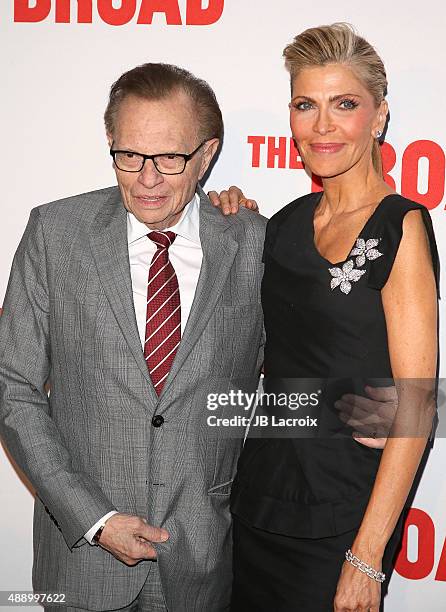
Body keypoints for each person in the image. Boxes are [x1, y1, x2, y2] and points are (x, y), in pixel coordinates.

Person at [0, 63, 268, 611]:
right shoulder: (55, 233)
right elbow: (13, 387)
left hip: (201, 561)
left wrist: (375, 416)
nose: (147, 179)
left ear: (207, 155)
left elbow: (291, 382)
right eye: (129, 156)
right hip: (80, 563)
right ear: (111, 144)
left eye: (170, 158)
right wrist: (94, 520)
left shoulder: (255, 245)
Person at [216, 23, 439, 612]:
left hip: (347, 515)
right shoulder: (281, 225)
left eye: (344, 104)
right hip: (259, 497)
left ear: (380, 116)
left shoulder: (401, 225)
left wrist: (367, 555)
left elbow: (416, 401)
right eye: (305, 105)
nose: (322, 126)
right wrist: (223, 217)